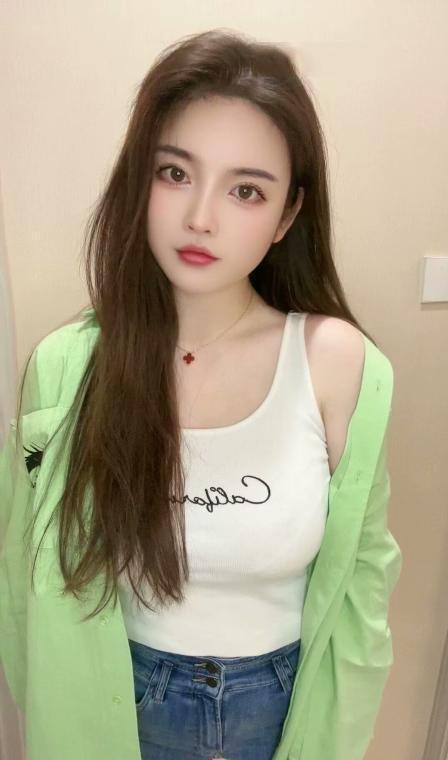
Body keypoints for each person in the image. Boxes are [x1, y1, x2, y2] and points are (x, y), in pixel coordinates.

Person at [0, 28, 402, 760]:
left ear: (286, 216)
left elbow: (364, 585)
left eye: (246, 190)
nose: (200, 218)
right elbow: (24, 585)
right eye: (175, 173)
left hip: (280, 712)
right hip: (113, 708)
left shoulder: (338, 364)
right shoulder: (67, 366)